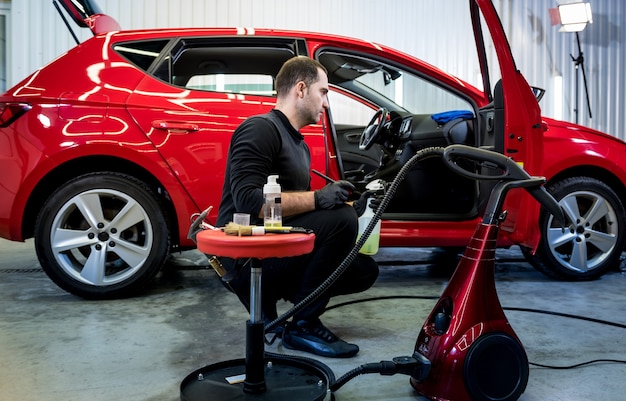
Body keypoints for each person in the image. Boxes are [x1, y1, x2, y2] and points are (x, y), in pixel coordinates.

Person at [215, 56, 379, 358]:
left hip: (273, 245)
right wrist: (321, 200)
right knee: (340, 220)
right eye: (324, 92)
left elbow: (294, 213)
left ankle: (282, 307)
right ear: (301, 89)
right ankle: (303, 324)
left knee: (362, 270)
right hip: (243, 257)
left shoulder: (300, 146)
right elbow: (249, 201)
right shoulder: (260, 129)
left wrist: (342, 201)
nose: (326, 103)